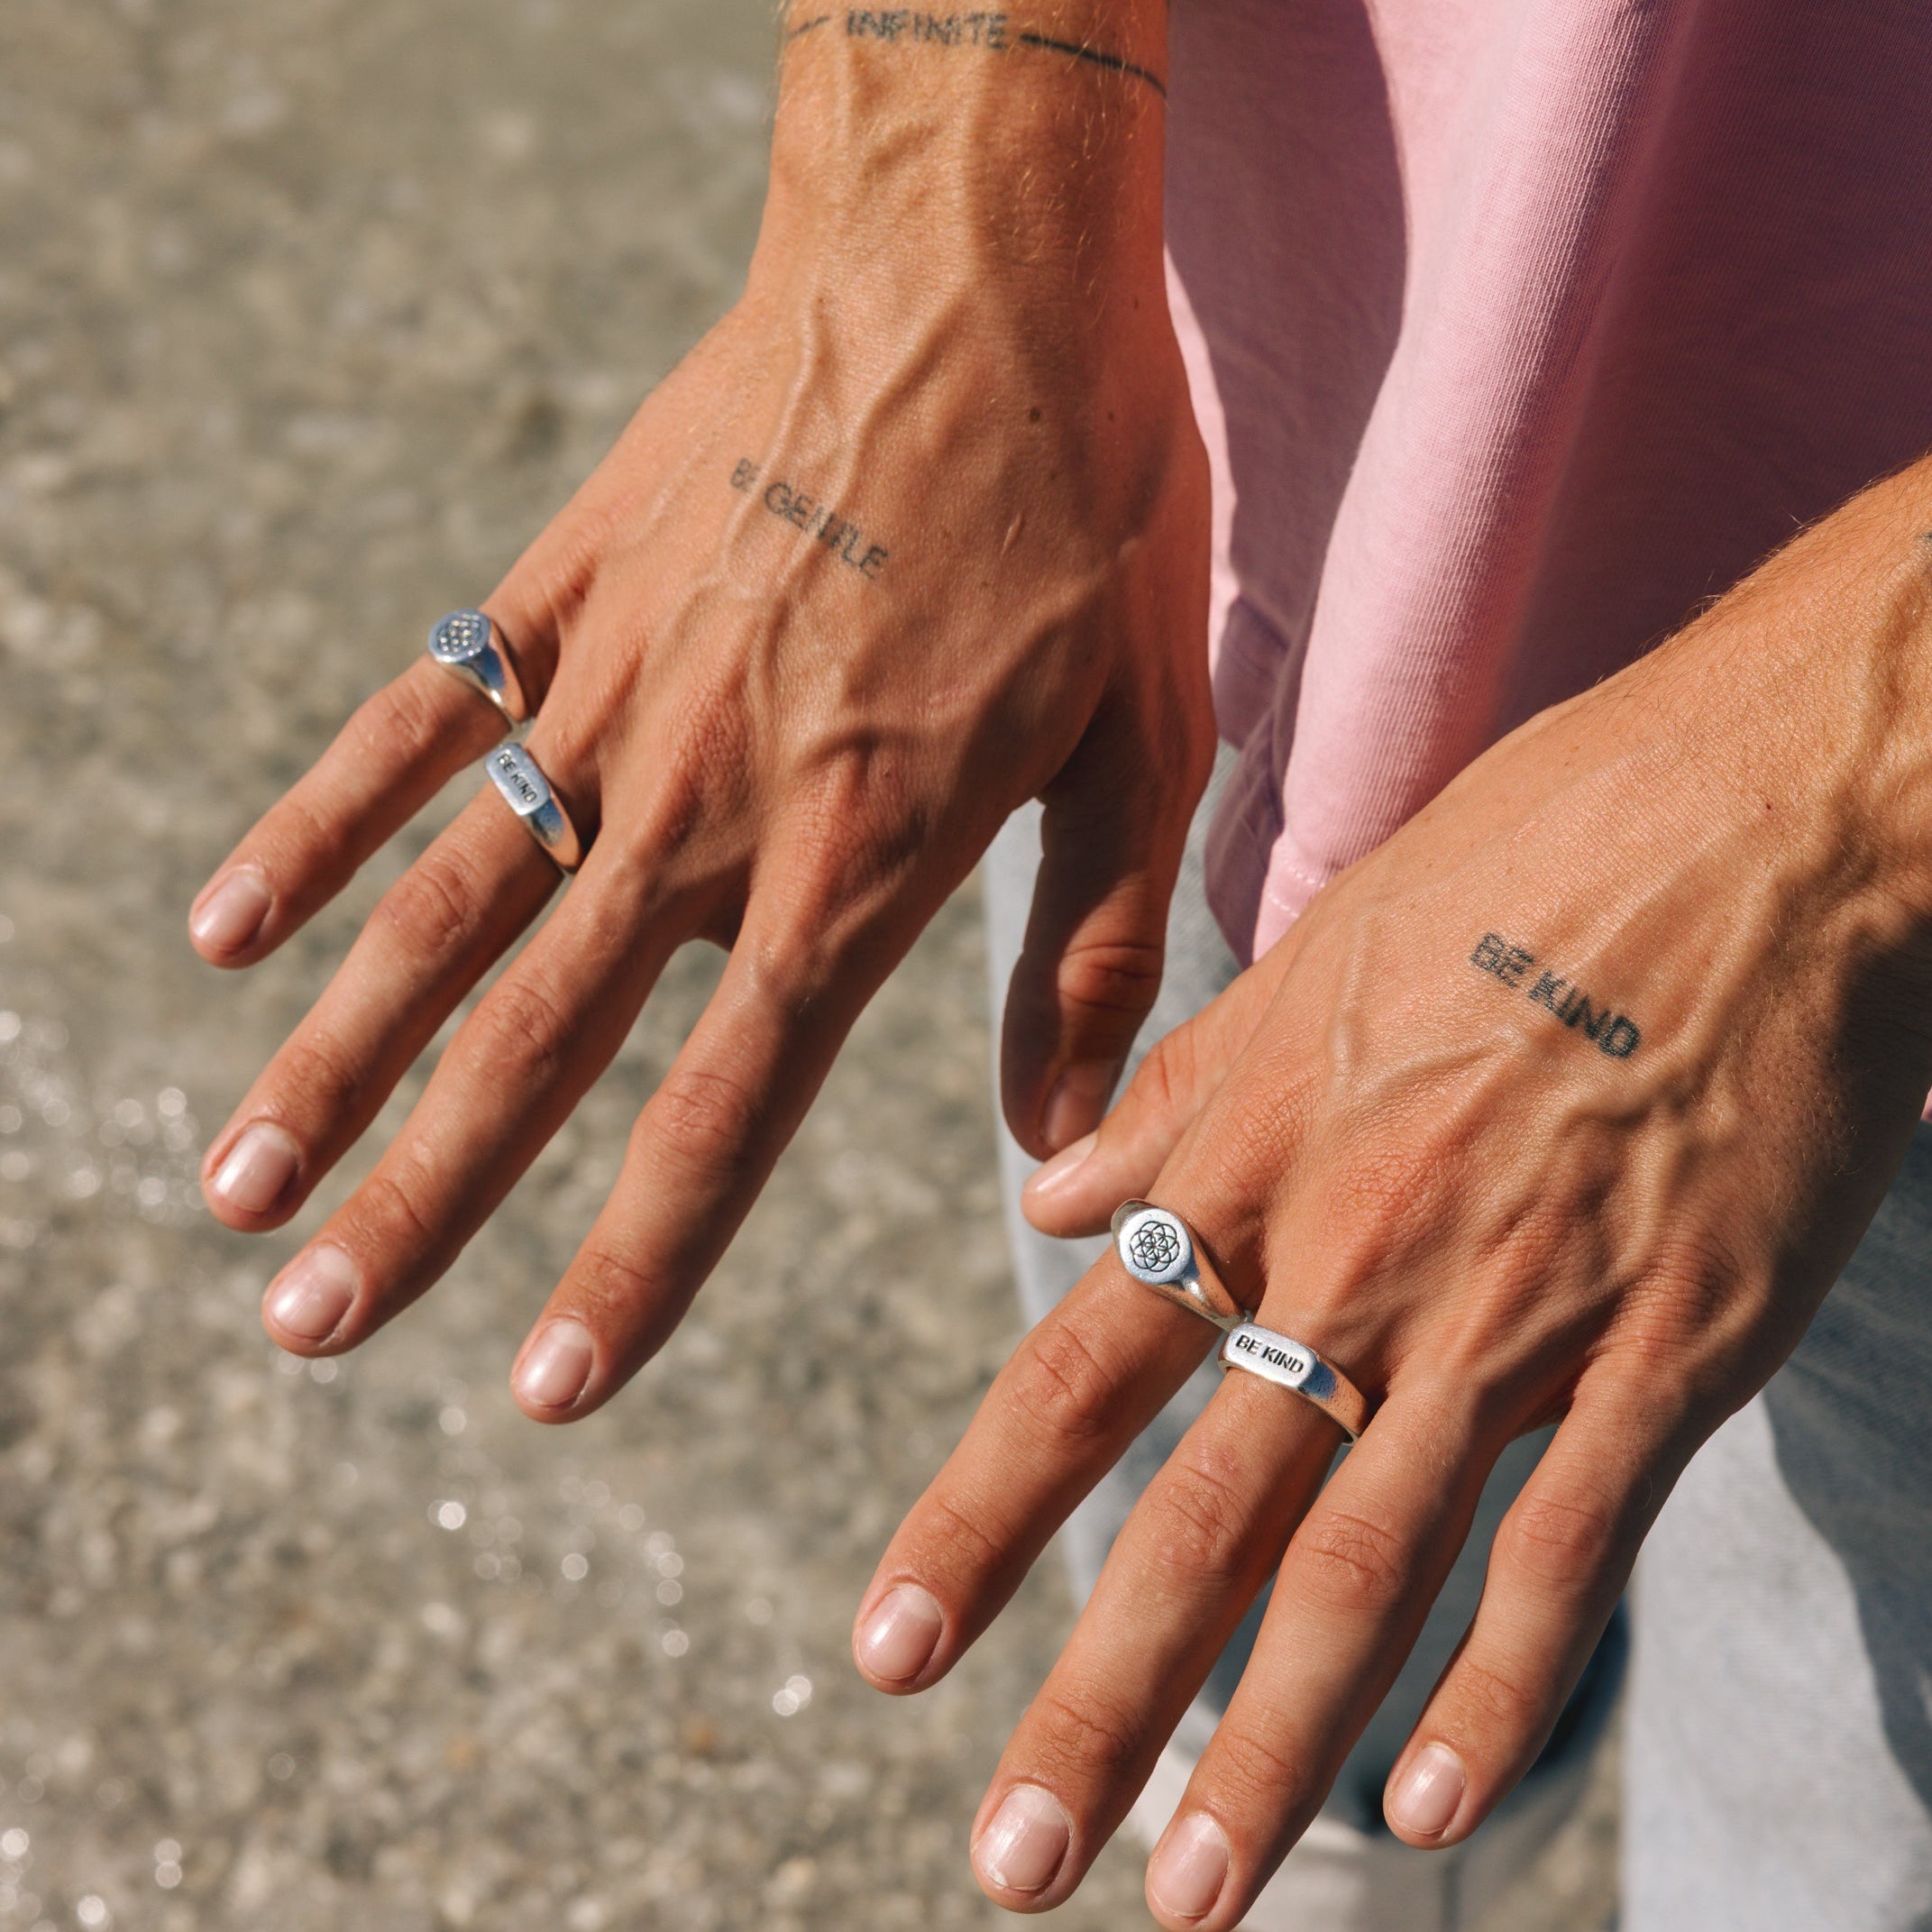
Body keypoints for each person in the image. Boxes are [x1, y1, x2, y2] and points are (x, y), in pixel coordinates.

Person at [188, 4, 1932, 1927]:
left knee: (1837, 1846)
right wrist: (948, 141)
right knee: (1254, 1702)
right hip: (1285, 460)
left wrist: (1855, 790)